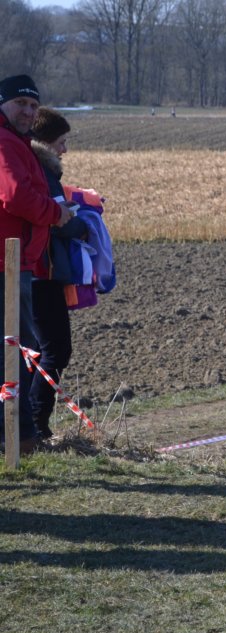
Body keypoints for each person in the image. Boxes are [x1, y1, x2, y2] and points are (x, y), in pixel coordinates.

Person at [0, 74, 72, 451]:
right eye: (20, 103)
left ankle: (20, 436)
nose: (28, 111)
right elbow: (15, 196)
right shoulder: (5, 143)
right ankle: (20, 438)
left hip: (19, 262)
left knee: (19, 348)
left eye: (33, 105)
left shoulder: (19, 144)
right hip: (6, 264)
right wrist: (55, 214)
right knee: (15, 350)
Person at [27, 108, 90, 438]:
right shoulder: (42, 171)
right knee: (55, 349)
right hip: (43, 272)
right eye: (61, 142)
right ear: (46, 142)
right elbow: (58, 220)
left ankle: (30, 424)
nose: (65, 149)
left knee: (38, 349)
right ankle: (36, 424)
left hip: (36, 271)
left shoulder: (32, 167)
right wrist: (85, 225)